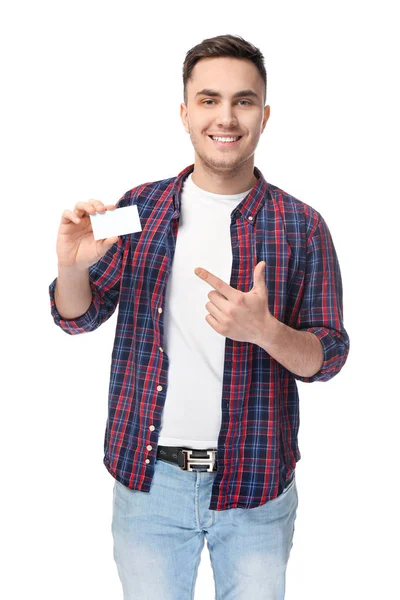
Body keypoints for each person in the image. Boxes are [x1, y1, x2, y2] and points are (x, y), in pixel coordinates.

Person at [49, 34, 349, 600]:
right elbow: (78, 317)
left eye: (243, 100)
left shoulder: (302, 226)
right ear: (185, 113)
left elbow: (329, 355)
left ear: (264, 115)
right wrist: (71, 266)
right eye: (209, 100)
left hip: (257, 488)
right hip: (149, 486)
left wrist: (264, 331)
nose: (226, 117)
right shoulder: (136, 209)